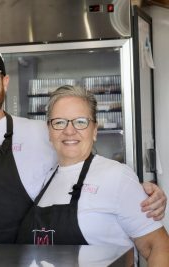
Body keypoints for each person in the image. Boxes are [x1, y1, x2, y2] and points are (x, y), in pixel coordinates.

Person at [0, 44, 167, 243]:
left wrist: (138, 190)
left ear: (5, 82)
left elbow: (85, 166)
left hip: (22, 262)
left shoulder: (39, 132)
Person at [16, 85, 169, 265]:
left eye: (80, 122)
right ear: (49, 131)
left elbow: (157, 247)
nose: (69, 130)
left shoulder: (116, 176)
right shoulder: (45, 180)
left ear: (94, 130)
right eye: (59, 122)